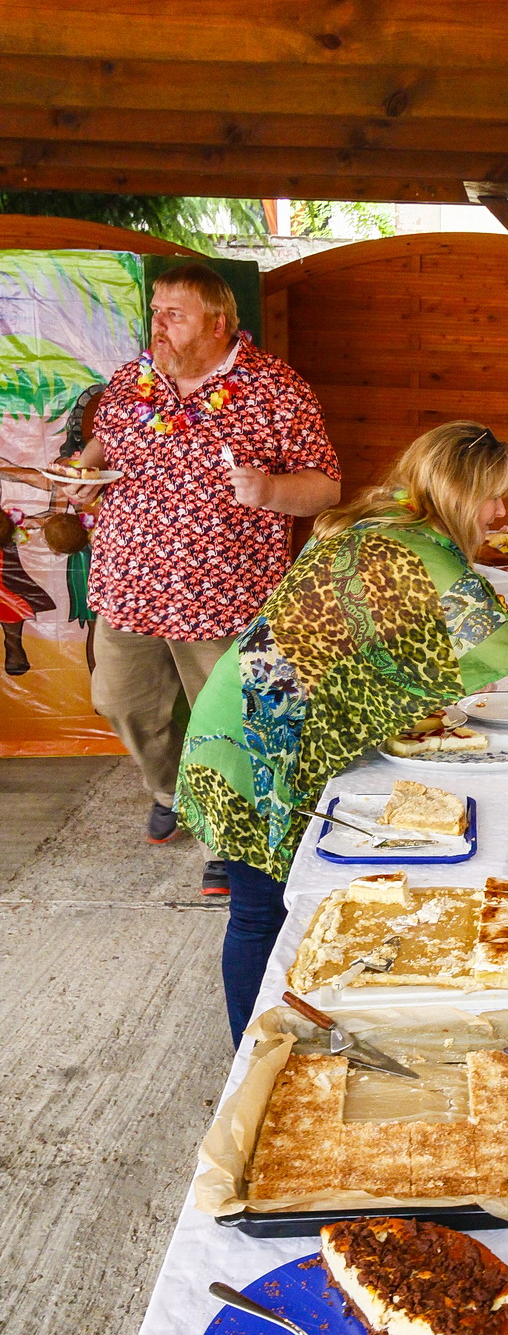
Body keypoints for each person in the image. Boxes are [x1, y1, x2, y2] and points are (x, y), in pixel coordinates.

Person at [175, 420, 508, 1045]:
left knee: (264, 909)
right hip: (260, 737)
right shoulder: (422, 554)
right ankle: (255, 1052)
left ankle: (273, 1040)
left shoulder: (390, 519)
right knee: (262, 913)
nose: (500, 512)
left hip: (253, 711)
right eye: (492, 497)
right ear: (456, 491)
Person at [55, 263, 342, 896]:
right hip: (129, 582)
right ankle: (171, 791)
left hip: (224, 594)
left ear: (218, 322)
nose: (157, 324)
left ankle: (226, 838)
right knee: (122, 702)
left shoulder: (276, 387)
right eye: (155, 311)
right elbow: (103, 443)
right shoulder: (133, 377)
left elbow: (325, 486)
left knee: (228, 722)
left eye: (174, 314)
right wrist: (81, 472)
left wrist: (269, 490)